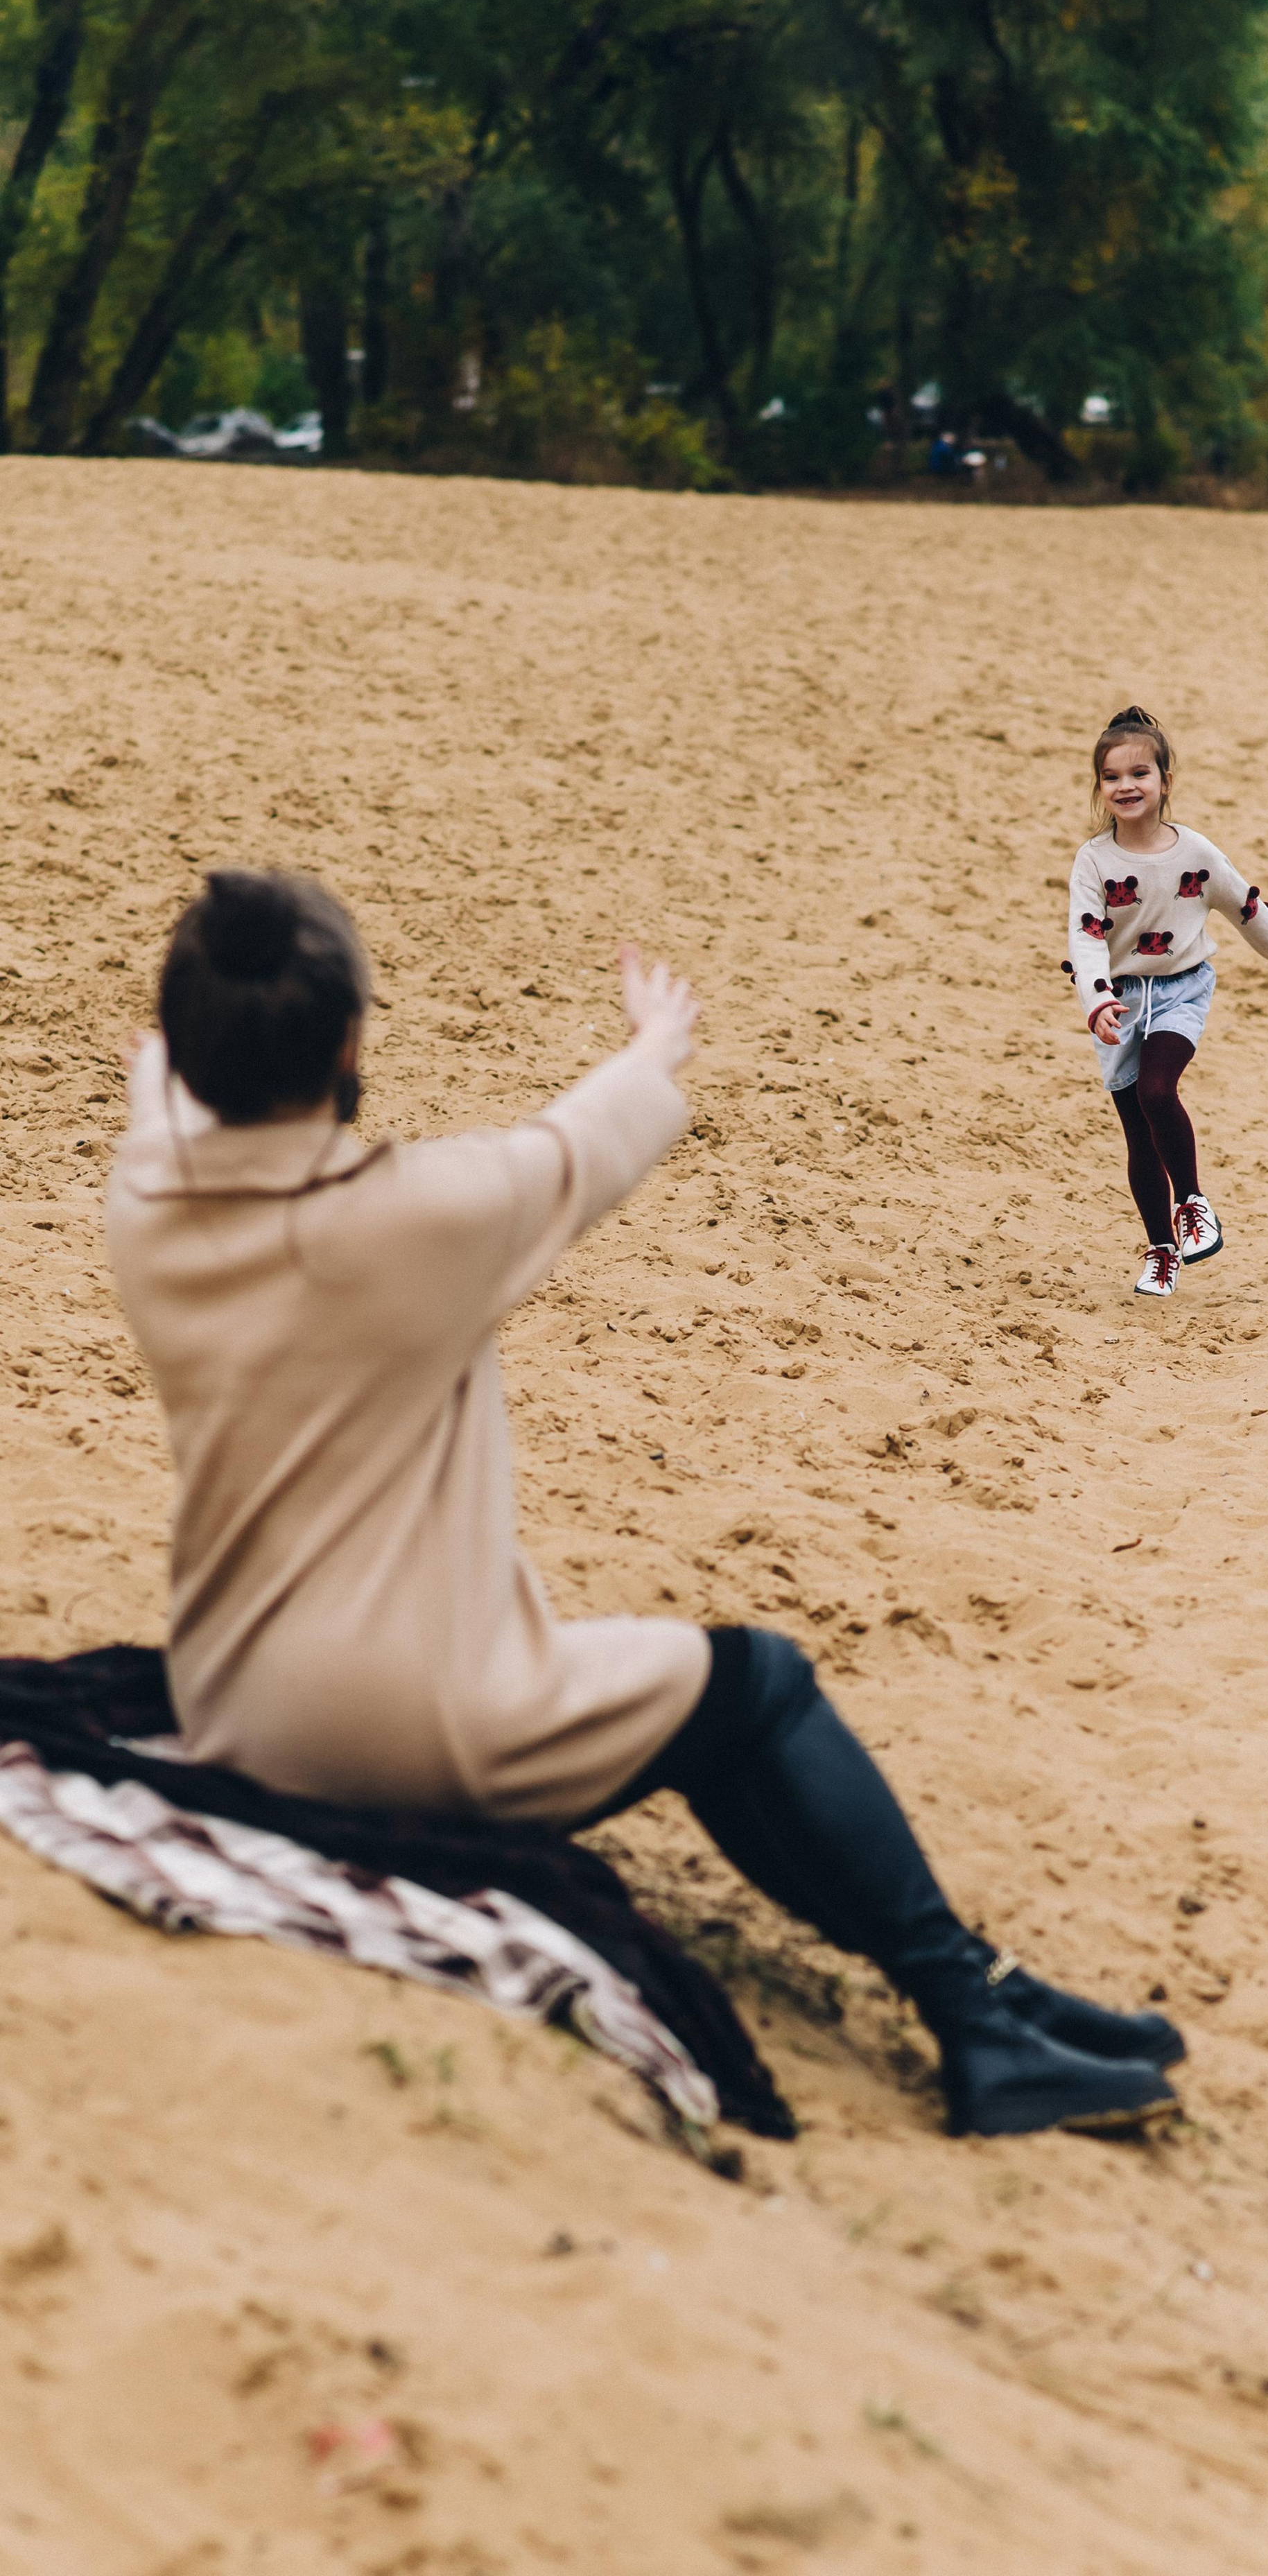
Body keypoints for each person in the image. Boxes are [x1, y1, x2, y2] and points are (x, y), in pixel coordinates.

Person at [107, 869, 1185, 2139]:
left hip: (233, 1700)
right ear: (347, 1042)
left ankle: (994, 1997)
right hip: (410, 1723)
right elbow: (579, 1148)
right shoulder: (415, 1219)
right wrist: (656, 1041)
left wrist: (179, 1055)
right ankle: (978, 2028)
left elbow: (169, 1105)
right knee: (758, 1687)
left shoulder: (148, 1198)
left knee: (710, 1705)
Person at [1063, 706, 1268, 1298]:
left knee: (1157, 1091)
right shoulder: (1094, 860)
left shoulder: (1194, 851)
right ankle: (1162, 1249)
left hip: (1181, 987)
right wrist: (1096, 1002)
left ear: (1165, 781)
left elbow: (1242, 904)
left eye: (1140, 773)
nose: (1127, 786)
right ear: (1100, 787)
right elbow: (1086, 936)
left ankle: (1193, 1203)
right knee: (1138, 1134)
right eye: (1112, 777)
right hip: (1118, 999)